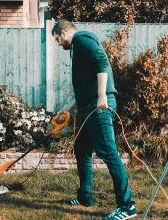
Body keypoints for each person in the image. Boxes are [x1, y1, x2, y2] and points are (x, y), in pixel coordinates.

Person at [52, 20, 137, 220]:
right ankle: (84, 197)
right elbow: (85, 89)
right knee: (81, 149)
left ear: (63, 32)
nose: (58, 44)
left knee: (108, 152)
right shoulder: (77, 47)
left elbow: (101, 61)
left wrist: (101, 96)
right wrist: (67, 108)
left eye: (57, 39)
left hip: (98, 107)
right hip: (90, 105)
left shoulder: (82, 39)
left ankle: (127, 206)